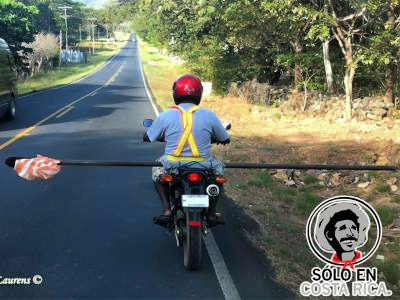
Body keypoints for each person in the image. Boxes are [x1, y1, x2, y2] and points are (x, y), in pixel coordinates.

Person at [143, 74, 230, 225]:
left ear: (175, 93)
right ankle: (211, 213)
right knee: (218, 179)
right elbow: (225, 138)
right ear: (199, 94)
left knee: (157, 172)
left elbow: (148, 137)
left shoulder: (166, 115)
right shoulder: (209, 115)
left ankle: (167, 210)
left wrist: (152, 134)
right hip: (204, 165)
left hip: (172, 164)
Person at [315, 202, 370, 269]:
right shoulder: (329, 270)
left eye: (353, 228)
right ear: (329, 235)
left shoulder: (368, 263)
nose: (350, 233)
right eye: (343, 228)